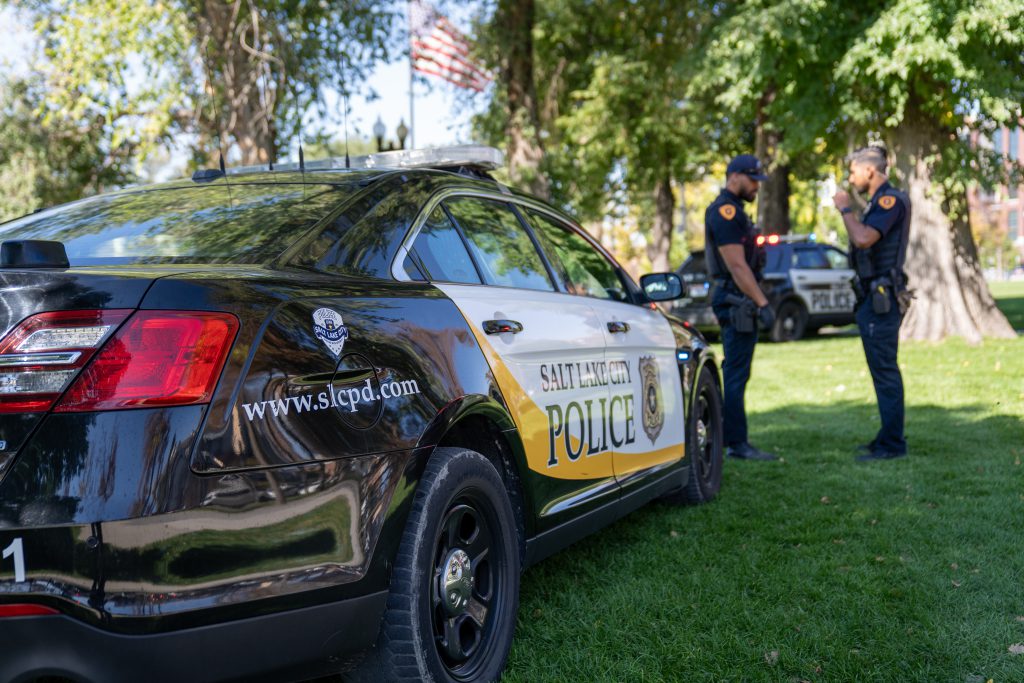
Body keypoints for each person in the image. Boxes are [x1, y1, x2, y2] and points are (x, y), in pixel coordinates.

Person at [832, 145, 912, 461]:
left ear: (870, 170)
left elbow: (864, 238)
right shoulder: (878, 203)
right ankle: (886, 437)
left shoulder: (890, 200)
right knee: (881, 370)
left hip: (883, 299)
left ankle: (893, 445)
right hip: (872, 298)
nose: (851, 179)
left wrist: (845, 210)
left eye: (853, 172)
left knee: (885, 369)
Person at [705, 154, 777, 461]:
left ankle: (730, 440)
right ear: (734, 176)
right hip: (736, 302)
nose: (756, 188)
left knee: (737, 372)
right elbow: (736, 265)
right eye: (752, 180)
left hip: (739, 301)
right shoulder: (725, 211)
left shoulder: (736, 212)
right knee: (735, 373)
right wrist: (763, 303)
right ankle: (736, 444)